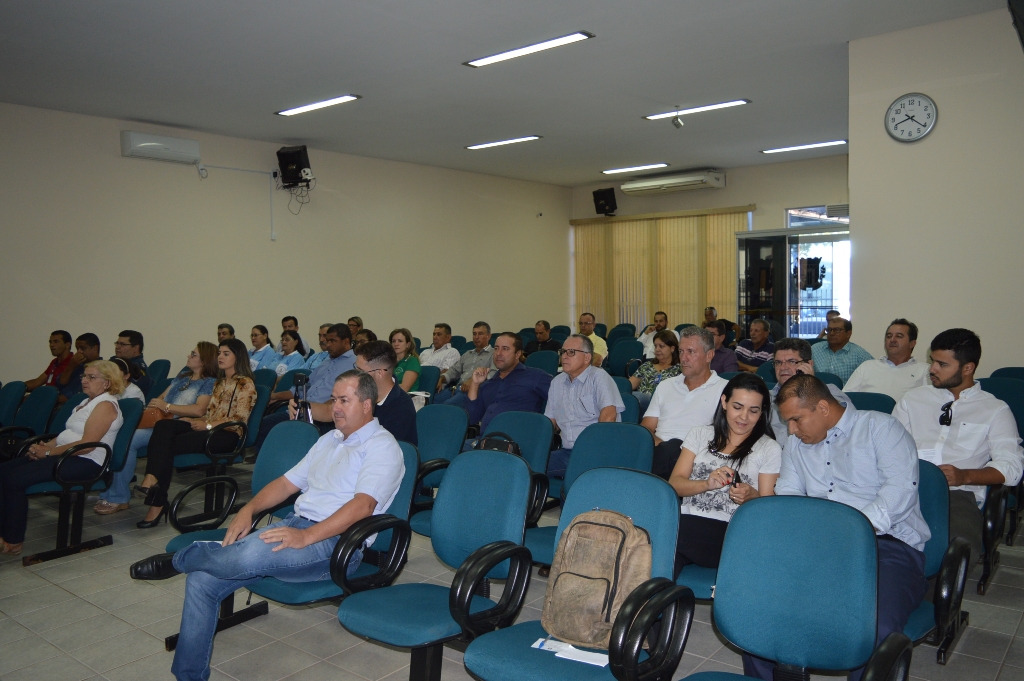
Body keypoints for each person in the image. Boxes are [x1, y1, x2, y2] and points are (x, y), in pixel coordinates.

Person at [129, 370, 405, 681]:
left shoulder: (383, 447)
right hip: (296, 525)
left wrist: (306, 536)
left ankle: (181, 560)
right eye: (333, 399)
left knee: (246, 555)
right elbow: (287, 484)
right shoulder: (330, 439)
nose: (336, 407)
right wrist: (248, 509)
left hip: (336, 544)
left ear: (367, 405)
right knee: (202, 582)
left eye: (345, 400)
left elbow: (363, 506)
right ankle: (189, 676)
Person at [760, 374, 929, 681]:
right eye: (788, 423)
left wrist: (846, 533)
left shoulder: (880, 429)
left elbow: (899, 493)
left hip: (888, 546)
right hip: (821, 544)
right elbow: (789, 495)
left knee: (875, 627)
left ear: (823, 407)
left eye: (796, 420)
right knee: (763, 612)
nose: (792, 431)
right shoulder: (797, 446)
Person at [892, 328, 1023, 560]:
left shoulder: (994, 410)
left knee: (949, 551)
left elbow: (1012, 467)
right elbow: (889, 448)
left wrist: (964, 476)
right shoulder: (912, 400)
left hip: (957, 496)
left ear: (968, 368)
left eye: (942, 364)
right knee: (873, 538)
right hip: (906, 488)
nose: (932, 369)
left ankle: (933, 594)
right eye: (932, 361)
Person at [1, 360, 125, 554]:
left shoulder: (106, 405)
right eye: (84, 376)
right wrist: (43, 446)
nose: (85, 380)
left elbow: (86, 445)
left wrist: (49, 453)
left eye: (91, 377)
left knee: (15, 479)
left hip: (87, 462)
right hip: (67, 455)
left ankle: (13, 539)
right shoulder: (86, 402)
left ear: (107, 383)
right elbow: (66, 434)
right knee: (4, 471)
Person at [135, 339, 258, 528]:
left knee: (165, 445)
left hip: (227, 436)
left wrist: (207, 425)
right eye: (219, 353)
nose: (220, 357)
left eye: (226, 354)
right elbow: (209, 413)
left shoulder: (245, 383)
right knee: (164, 427)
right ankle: (152, 480)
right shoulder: (219, 383)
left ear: (237, 357)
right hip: (209, 428)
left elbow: (238, 420)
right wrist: (195, 422)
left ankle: (157, 501)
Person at [669, 373, 780, 574]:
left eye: (753, 411)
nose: (744, 417)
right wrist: (706, 484)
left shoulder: (768, 448)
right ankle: (659, 603)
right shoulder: (700, 434)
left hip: (730, 532)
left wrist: (751, 496)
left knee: (664, 542)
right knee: (666, 556)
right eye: (738, 407)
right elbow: (675, 484)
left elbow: (769, 507)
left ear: (762, 412)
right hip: (687, 526)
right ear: (724, 402)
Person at [94, 342, 217, 515]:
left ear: (205, 360)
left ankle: (119, 497)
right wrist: (158, 405)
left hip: (180, 426)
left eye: (193, 354)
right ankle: (108, 491)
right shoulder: (183, 375)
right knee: (120, 436)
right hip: (160, 422)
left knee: (129, 441)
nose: (188, 356)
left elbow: (199, 410)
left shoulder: (209, 382)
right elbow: (160, 398)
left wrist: (166, 406)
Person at [642, 327, 729, 480]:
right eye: (681, 351)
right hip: (660, 451)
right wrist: (659, 444)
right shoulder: (665, 385)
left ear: (709, 355)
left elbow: (726, 436)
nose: (684, 358)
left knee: (674, 447)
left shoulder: (726, 389)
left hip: (697, 457)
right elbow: (647, 428)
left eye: (691, 352)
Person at [254, 324, 357, 449]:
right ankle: (267, 463)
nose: (328, 344)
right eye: (327, 340)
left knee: (287, 432)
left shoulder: (354, 364)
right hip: (300, 410)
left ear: (346, 341)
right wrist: (276, 396)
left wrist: (323, 408)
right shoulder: (325, 363)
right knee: (264, 424)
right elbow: (304, 387)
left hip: (324, 417)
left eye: (332, 341)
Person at [544, 334, 624, 479]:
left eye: (571, 352)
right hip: (566, 452)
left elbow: (609, 416)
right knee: (527, 464)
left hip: (595, 452)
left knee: (571, 478)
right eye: (563, 352)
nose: (565, 356)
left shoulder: (599, 377)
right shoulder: (557, 382)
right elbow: (550, 422)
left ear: (587, 358)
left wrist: (590, 452)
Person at [466, 332, 552, 435]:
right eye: (496, 348)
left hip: (518, 443)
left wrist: (550, 425)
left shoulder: (535, 376)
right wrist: (475, 385)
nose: (499, 353)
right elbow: (472, 418)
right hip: (485, 441)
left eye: (505, 349)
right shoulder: (488, 384)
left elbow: (561, 398)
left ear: (518, 354)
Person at [767, 337, 851, 441]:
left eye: (792, 361)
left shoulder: (831, 391)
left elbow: (847, 422)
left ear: (809, 364)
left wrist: (810, 388)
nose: (783, 367)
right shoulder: (766, 397)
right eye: (778, 362)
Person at [843, 318, 929, 401]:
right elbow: (845, 398)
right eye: (889, 336)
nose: (892, 340)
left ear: (912, 343)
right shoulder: (867, 366)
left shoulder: (925, 370)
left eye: (899, 336)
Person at [435, 322, 495, 406]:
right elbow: (454, 370)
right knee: (431, 402)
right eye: (474, 334)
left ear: (489, 336)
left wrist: (473, 381)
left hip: (473, 391)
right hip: (456, 389)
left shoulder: (494, 354)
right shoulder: (467, 354)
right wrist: (442, 378)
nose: (476, 337)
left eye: (480, 334)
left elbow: (493, 374)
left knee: (445, 406)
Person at [629, 329, 681, 416]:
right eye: (655, 346)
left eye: (661, 346)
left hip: (665, 407)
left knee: (640, 397)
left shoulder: (679, 370)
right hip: (641, 405)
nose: (657, 349)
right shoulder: (647, 366)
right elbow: (629, 386)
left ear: (672, 348)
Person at [811, 317, 873, 384]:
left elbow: (874, 373)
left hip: (845, 393)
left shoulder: (859, 354)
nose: (831, 333)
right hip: (818, 392)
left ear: (848, 333)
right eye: (829, 330)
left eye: (837, 330)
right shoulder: (814, 349)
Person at [57, 332, 102, 403]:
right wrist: (70, 366)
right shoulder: (76, 365)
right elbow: (60, 384)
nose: (79, 352)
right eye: (77, 348)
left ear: (95, 348)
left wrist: (53, 400)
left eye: (83, 348)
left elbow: (82, 396)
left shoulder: (102, 369)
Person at [114, 329, 152, 397]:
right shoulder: (116, 361)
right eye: (117, 343)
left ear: (135, 348)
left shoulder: (137, 369)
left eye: (122, 344)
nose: (117, 347)